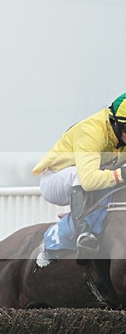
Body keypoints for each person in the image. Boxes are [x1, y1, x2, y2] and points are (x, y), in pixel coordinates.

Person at [32, 93, 126, 257]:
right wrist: (121, 174)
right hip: (56, 180)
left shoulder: (119, 132)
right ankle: (83, 231)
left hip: (90, 179)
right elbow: (88, 181)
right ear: (114, 123)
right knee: (79, 175)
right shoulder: (91, 132)